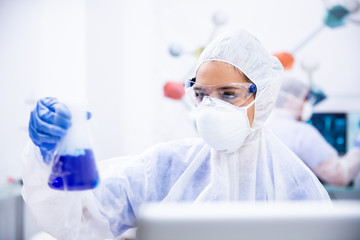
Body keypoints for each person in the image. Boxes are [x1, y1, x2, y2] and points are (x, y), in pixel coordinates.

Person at [22, 29, 330, 240]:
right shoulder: (165, 167)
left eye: (228, 94)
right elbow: (78, 221)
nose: (211, 108)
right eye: (201, 94)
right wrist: (48, 156)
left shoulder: (297, 186)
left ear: (261, 98)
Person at [267, 76, 360, 187]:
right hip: (296, 204)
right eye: (305, 98)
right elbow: (339, 175)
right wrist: (358, 149)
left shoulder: (261, 128)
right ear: (290, 99)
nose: (308, 104)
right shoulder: (302, 133)